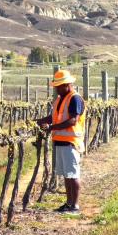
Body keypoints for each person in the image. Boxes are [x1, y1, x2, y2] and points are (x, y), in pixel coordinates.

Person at [36, 70, 85, 215]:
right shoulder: (60, 99)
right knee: (67, 175)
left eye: (59, 86)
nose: (57, 88)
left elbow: (72, 120)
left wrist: (51, 128)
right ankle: (68, 203)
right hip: (60, 141)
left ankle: (74, 206)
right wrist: (41, 121)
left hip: (71, 141)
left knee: (73, 174)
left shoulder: (74, 98)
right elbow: (54, 117)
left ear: (67, 85)